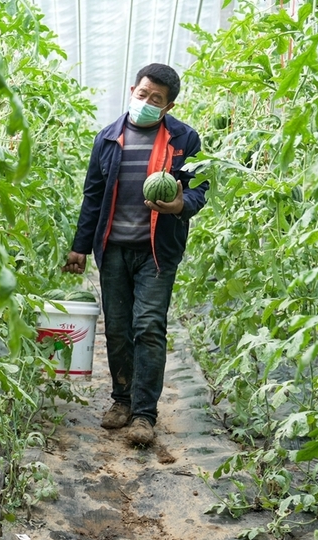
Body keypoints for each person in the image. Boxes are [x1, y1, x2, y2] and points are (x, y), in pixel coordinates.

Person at [63, 63, 208, 447]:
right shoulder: (108, 138)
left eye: (155, 99)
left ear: (169, 104)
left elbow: (199, 190)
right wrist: (80, 245)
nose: (145, 101)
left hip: (156, 251)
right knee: (119, 328)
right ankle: (121, 401)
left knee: (148, 327)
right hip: (113, 249)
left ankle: (145, 414)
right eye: (142, 94)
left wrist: (180, 206)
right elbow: (93, 195)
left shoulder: (184, 140)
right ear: (132, 89)